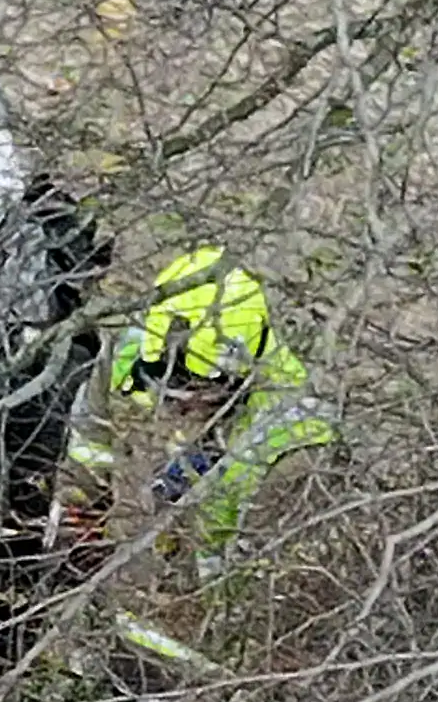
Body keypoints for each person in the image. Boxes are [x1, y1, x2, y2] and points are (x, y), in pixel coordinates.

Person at [61, 247, 339, 579]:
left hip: (189, 616)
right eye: (165, 386)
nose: (177, 404)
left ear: (240, 373)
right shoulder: (132, 354)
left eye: (195, 392)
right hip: (107, 600)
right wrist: (74, 511)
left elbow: (265, 590)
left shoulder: (293, 440)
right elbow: (90, 445)